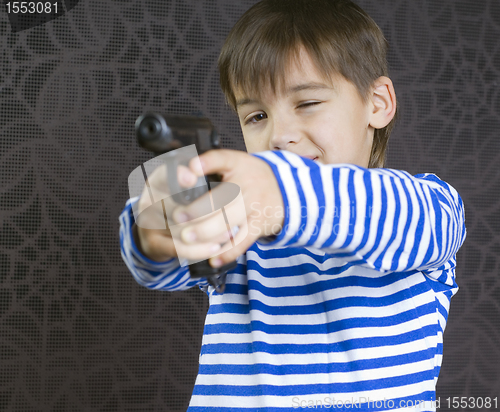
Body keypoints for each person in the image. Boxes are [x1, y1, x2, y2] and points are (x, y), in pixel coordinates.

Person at [119, 0, 466, 410]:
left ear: (377, 103)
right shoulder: (241, 223)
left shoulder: (427, 203)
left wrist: (279, 192)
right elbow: (156, 269)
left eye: (307, 103)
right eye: (257, 115)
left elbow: (402, 218)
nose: (280, 135)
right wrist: (155, 230)